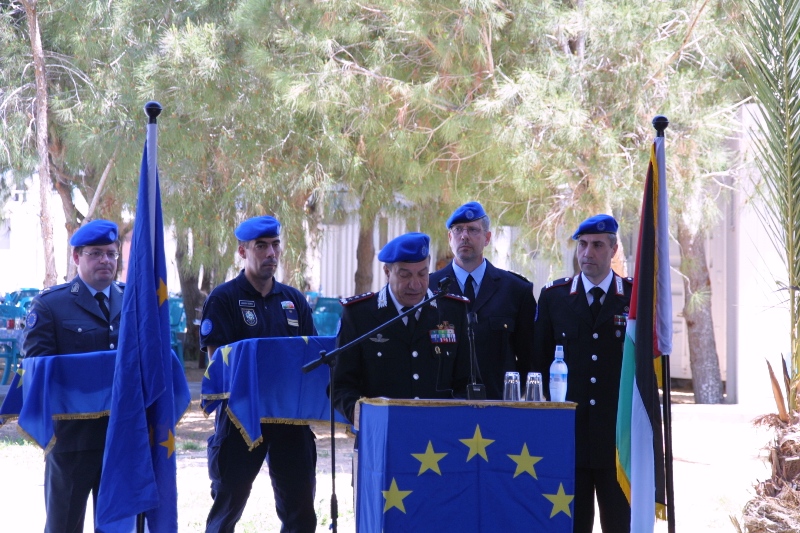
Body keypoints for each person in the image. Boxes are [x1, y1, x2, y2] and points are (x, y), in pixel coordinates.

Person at [199, 215, 317, 533]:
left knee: (301, 514)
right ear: (242, 252)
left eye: (275, 245)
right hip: (242, 418)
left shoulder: (294, 301)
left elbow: (312, 358)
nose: (270, 254)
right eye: (261, 246)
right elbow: (217, 365)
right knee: (226, 509)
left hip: (290, 420)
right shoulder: (223, 299)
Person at [22, 219, 124, 533]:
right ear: (77, 258)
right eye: (95, 253)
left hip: (121, 437)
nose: (105, 260)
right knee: (64, 526)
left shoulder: (134, 301)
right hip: (72, 440)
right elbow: (36, 366)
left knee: (120, 525)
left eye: (111, 253)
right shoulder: (52, 305)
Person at [533, 214, 632, 533]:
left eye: (598, 245)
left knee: (619, 524)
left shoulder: (632, 299)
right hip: (569, 436)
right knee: (572, 525)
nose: (588, 252)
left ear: (614, 249)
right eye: (583, 245)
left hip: (617, 439)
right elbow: (538, 361)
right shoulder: (554, 297)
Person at [331, 232, 471, 425]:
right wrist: (362, 416)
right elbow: (341, 386)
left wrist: (453, 418)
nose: (415, 284)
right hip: (382, 433)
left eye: (422, 274)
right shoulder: (359, 315)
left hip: (440, 434)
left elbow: (467, 381)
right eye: (405, 275)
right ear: (387, 273)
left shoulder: (452, 311)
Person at [430, 201, 537, 399]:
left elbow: (528, 359)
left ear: (487, 238)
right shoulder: (430, 288)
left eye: (473, 230)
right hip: (443, 408)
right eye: (458, 230)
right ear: (449, 237)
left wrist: (511, 398)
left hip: (498, 407)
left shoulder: (515, 290)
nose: (464, 236)